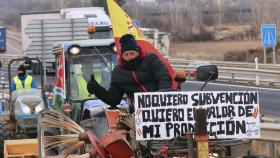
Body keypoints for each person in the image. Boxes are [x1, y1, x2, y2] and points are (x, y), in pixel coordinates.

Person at [87, 34, 172, 109]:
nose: (129, 57)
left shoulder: (151, 59)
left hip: (161, 104)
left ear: (138, 52)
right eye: (126, 55)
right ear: (121, 55)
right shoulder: (117, 73)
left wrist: (161, 98)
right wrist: (97, 90)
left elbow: (164, 78)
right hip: (139, 111)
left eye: (132, 53)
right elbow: (113, 100)